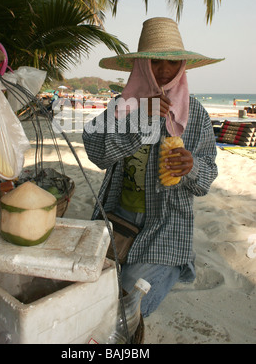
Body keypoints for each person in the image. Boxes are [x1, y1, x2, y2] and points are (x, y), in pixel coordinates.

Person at [82, 17, 224, 318]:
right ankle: (162, 267)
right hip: (116, 219)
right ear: (142, 65)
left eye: (171, 63)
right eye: (155, 61)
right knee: (88, 294)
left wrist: (192, 167)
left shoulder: (195, 114)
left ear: (182, 66)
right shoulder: (122, 105)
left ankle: (174, 262)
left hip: (166, 226)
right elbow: (97, 152)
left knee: (127, 306)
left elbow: (206, 178)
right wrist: (137, 118)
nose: (163, 70)